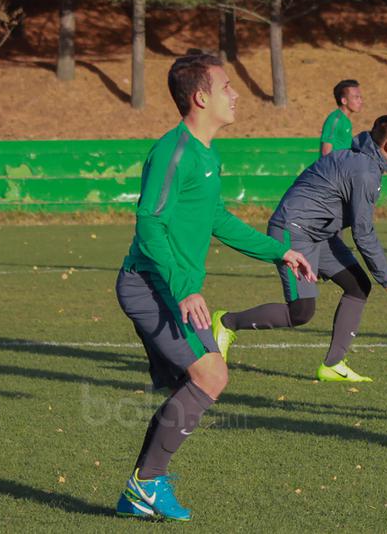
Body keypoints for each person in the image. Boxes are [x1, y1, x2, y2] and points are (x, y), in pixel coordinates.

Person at [114, 51, 313, 521]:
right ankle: (146, 484)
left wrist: (277, 250)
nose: (235, 94)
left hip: (168, 288)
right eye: (227, 87)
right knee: (210, 376)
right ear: (201, 97)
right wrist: (185, 287)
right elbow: (148, 222)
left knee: (196, 381)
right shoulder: (173, 151)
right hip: (151, 286)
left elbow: (215, 217)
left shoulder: (205, 153)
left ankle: (142, 487)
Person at [212, 115, 387, 383]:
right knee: (301, 312)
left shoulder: (364, 163)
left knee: (357, 286)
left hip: (319, 234)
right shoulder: (364, 170)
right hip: (293, 231)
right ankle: (227, 322)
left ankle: (333, 364)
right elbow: (363, 232)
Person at [321, 80, 363, 156]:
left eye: (360, 97)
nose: (360, 101)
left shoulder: (346, 120)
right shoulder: (335, 120)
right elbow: (325, 152)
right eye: (356, 97)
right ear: (344, 101)